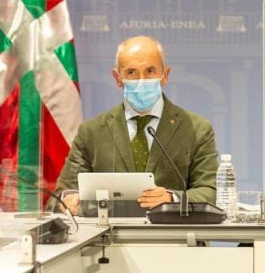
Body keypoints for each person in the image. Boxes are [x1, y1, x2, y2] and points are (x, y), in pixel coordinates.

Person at [55, 36, 218, 214]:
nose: (142, 81)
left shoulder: (197, 129)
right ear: (118, 78)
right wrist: (69, 200)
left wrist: (172, 198)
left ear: (165, 76)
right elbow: (63, 194)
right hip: (109, 239)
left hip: (174, 238)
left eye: (150, 71)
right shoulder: (91, 132)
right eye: (131, 72)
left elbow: (210, 192)